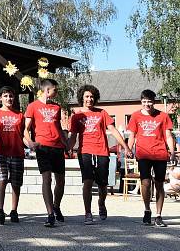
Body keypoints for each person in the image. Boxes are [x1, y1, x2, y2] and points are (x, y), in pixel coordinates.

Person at [67, 84, 130, 224]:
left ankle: (101, 203)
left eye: (91, 97)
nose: (89, 99)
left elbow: (113, 130)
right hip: (85, 151)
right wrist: (67, 148)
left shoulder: (102, 113)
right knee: (87, 181)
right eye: (86, 97)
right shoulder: (77, 116)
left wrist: (125, 146)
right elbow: (73, 136)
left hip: (102, 151)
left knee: (102, 184)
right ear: (82, 98)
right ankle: (88, 212)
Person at [127, 89, 176, 227]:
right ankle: (147, 210)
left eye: (149, 101)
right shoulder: (135, 116)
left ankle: (159, 215)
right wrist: (128, 149)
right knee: (146, 183)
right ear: (141, 101)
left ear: (154, 102)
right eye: (144, 101)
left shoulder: (163, 116)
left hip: (160, 154)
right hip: (143, 154)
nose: (147, 104)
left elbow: (168, 135)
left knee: (159, 184)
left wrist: (172, 152)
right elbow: (132, 135)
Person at [24, 78, 68, 227]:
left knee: (60, 181)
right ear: (47, 90)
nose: (57, 92)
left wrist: (66, 143)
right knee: (47, 178)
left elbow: (59, 128)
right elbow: (26, 129)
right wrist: (30, 142)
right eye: (55, 90)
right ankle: (50, 214)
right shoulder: (32, 106)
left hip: (58, 147)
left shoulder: (57, 107)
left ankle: (56, 206)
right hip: (42, 147)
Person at [0, 86, 25, 224]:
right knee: (3, 179)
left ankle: (14, 210)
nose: (8, 99)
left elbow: (24, 134)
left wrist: (31, 144)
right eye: (5, 96)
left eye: (11, 96)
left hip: (17, 151)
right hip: (1, 152)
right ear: (0, 98)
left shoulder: (20, 115)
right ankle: (0, 210)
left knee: (16, 183)